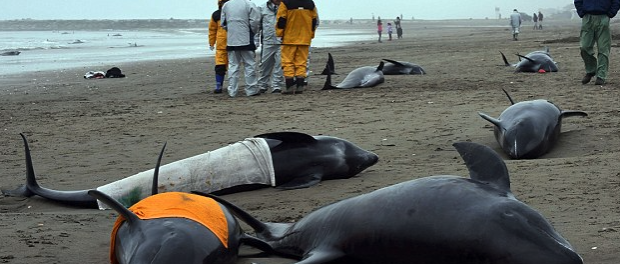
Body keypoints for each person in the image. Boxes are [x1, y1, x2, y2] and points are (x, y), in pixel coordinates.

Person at [276, 0, 319, 94]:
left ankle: (289, 86)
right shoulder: (310, 3)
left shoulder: (285, 3)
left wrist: (279, 34)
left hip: (289, 39)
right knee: (301, 63)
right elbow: (314, 20)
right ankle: (300, 86)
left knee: (287, 62)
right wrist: (311, 35)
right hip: (304, 39)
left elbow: (281, 20)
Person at [221, 0, 261, 97]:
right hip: (246, 38)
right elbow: (255, 22)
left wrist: (230, 30)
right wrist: (253, 32)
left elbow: (223, 23)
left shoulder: (226, 5)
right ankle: (251, 89)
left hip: (232, 39)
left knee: (233, 65)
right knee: (249, 64)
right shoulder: (249, 4)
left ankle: (232, 90)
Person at [574, 0, 620, 85]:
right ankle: (591, 70)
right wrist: (581, 12)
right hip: (587, 18)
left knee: (603, 48)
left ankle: (601, 76)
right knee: (584, 47)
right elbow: (577, 1)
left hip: (603, 17)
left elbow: (616, 1)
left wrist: (611, 13)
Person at [257, 0, 284, 93]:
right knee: (264, 65)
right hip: (267, 41)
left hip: (282, 41)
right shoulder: (262, 8)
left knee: (279, 65)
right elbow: (257, 25)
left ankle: (276, 86)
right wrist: (255, 40)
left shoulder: (286, 7)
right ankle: (262, 85)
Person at [208, 0, 229, 94]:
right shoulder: (216, 15)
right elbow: (212, 29)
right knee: (220, 66)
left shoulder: (235, 13)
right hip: (221, 45)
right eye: (223, 2)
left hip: (234, 43)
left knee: (234, 66)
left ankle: (232, 85)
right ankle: (218, 85)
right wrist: (211, 43)